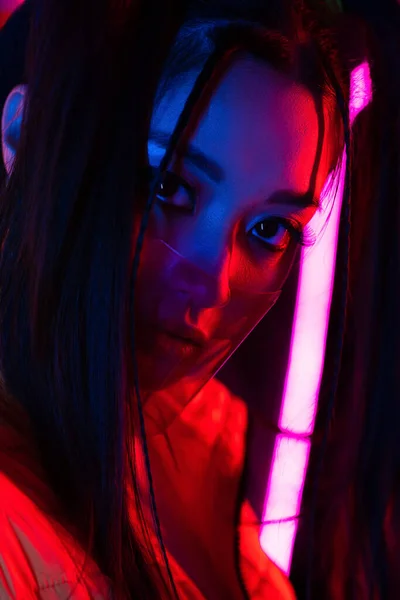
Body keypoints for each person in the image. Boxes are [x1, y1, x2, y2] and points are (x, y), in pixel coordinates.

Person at [0, 0, 365, 598]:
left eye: (270, 229)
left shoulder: (197, 450)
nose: (214, 284)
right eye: (167, 184)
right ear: (26, 137)